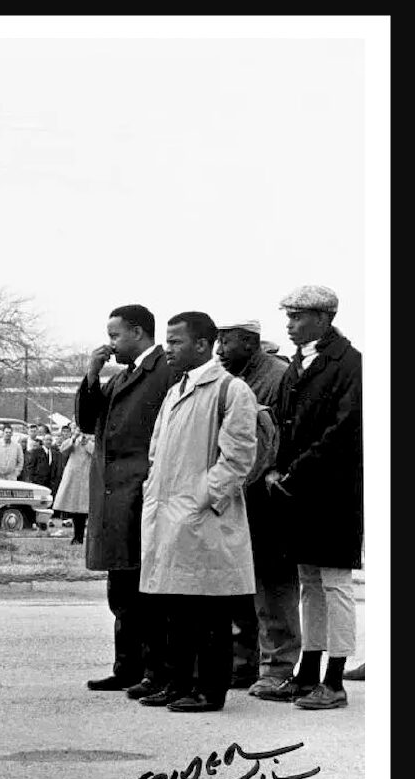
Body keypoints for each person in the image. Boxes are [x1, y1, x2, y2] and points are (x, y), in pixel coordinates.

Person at [137, 311, 257, 713]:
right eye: (168, 341)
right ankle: (178, 683)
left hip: (202, 517)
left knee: (209, 610)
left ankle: (210, 689)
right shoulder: (176, 390)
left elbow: (238, 456)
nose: (168, 348)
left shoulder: (230, 390)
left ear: (202, 345)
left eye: (176, 342)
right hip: (170, 514)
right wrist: (155, 488)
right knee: (177, 608)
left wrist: (202, 498)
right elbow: (158, 450)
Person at [258, 285, 362, 710]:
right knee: (309, 583)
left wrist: (293, 471)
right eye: (289, 315)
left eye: (298, 315)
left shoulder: (350, 363)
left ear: (324, 318)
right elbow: (283, 425)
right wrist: (272, 467)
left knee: (334, 584)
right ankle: (307, 673)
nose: (289, 322)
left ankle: (334, 681)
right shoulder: (296, 365)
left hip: (333, 492)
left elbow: (344, 429)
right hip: (297, 490)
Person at [76, 304, 184, 696]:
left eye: (115, 336)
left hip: (141, 492)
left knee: (146, 589)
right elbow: (88, 422)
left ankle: (156, 670)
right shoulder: (123, 376)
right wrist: (91, 375)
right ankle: (128, 667)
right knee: (121, 588)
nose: (110, 344)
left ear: (137, 333)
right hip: (114, 495)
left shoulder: (165, 371)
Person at [215, 319, 297, 693]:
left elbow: (292, 433)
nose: (219, 351)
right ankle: (244, 662)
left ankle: (278, 667)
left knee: (273, 584)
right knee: (241, 583)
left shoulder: (279, 377)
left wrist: (278, 470)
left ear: (249, 343)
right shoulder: (228, 380)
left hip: (270, 499)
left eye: (226, 343)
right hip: (238, 497)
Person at [53, 425, 93, 544]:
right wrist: (73, 439)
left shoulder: (92, 438)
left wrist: (86, 443)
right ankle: (77, 536)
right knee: (75, 509)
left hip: (87, 475)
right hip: (74, 477)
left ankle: (84, 537)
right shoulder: (73, 440)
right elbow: (63, 450)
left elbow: (96, 452)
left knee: (85, 509)